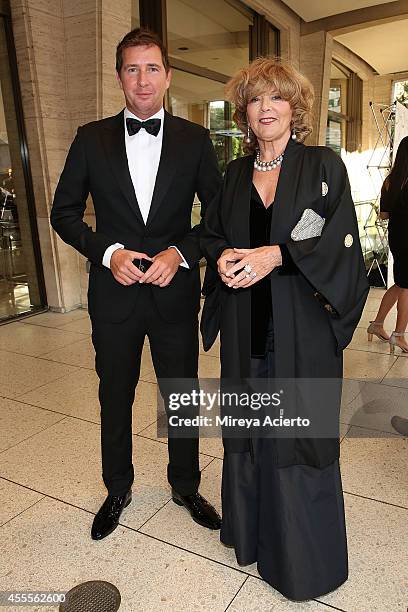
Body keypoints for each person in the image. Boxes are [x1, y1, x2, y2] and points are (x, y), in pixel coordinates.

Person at [200, 58, 369, 601]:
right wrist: (222, 256)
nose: (266, 107)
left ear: (295, 108)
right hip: (247, 328)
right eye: (255, 99)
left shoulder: (322, 166)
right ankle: (252, 537)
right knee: (250, 432)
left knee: (297, 435)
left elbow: (338, 238)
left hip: (303, 331)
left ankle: (302, 562)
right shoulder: (231, 175)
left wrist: (278, 254)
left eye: (276, 98)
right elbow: (209, 235)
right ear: (245, 114)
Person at [51, 28, 222, 541]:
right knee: (115, 394)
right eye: (132, 68)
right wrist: (108, 253)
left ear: (167, 77)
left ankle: (186, 485)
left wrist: (181, 253)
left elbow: (215, 216)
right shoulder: (91, 138)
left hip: (173, 295)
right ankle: (117, 488)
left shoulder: (195, 139)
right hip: (114, 296)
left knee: (181, 396)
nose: (142, 79)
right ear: (119, 76)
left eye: (152, 69)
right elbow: (63, 213)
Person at [367, 135, 408, 354]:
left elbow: (383, 215)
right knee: (407, 286)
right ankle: (399, 336)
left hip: (397, 236)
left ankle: (377, 324)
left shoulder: (390, 181)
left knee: (401, 283)